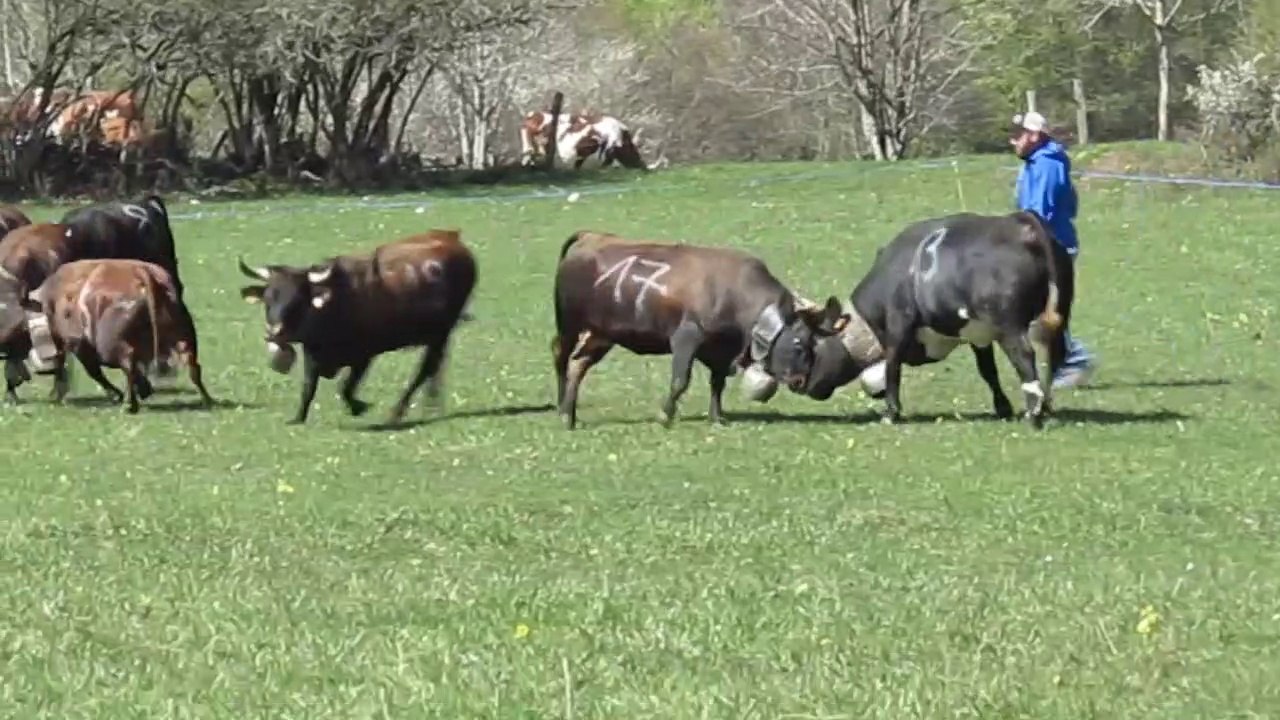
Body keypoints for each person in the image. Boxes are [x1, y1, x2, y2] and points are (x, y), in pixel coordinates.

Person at [1010, 110, 1097, 389]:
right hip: (1039, 245)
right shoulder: (1035, 161)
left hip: (1052, 247)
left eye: (1018, 134)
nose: (1013, 140)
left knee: (1046, 310)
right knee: (1039, 311)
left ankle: (1074, 360)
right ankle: (1066, 361)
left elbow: (1039, 213)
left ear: (1035, 135)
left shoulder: (1047, 163)